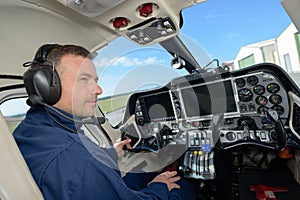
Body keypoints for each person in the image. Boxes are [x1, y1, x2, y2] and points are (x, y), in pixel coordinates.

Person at [13, 44, 185, 200]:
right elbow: (82, 167)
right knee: (182, 185)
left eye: (95, 81)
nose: (99, 90)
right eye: (83, 79)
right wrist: (159, 187)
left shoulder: (30, 130)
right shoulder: (79, 160)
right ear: (47, 86)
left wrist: (111, 153)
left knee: (143, 174)